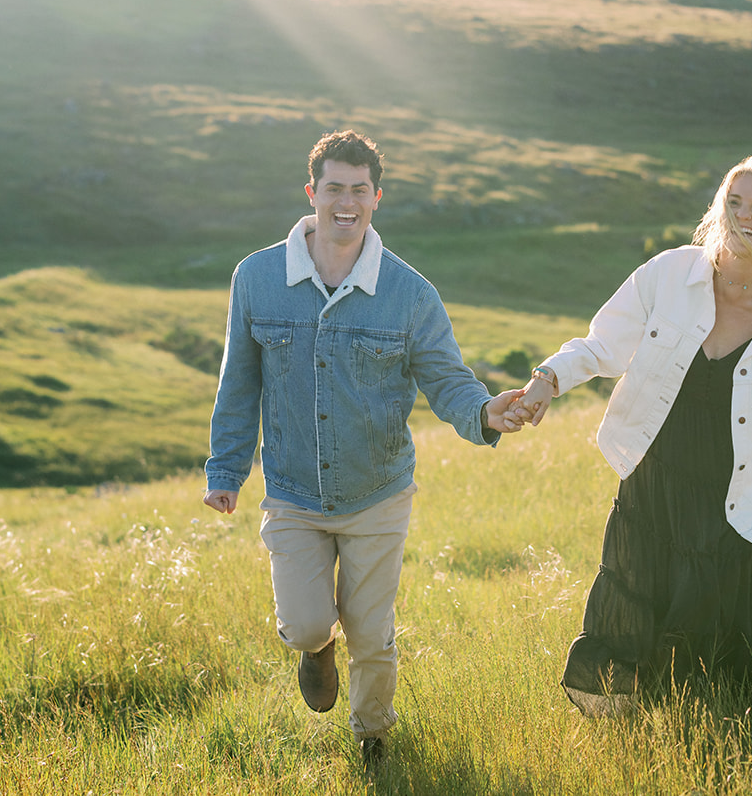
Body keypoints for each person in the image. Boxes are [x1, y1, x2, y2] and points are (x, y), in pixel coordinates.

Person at [202, 130, 525, 768]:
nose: (345, 202)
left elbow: (446, 379)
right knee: (306, 625)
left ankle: (373, 740)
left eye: (359, 190)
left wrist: (484, 412)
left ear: (376, 197)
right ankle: (314, 647)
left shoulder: (410, 293)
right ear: (312, 193)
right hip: (293, 489)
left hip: (378, 491)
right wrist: (227, 468)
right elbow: (238, 380)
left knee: (372, 635)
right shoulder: (258, 277)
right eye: (333, 189)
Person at [513, 155, 752, 716]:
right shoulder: (669, 274)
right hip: (660, 478)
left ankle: (722, 719)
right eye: (734, 201)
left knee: (724, 612)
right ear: (717, 209)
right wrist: (548, 378)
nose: (744, 216)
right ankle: (642, 717)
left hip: (741, 488)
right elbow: (604, 342)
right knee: (644, 595)